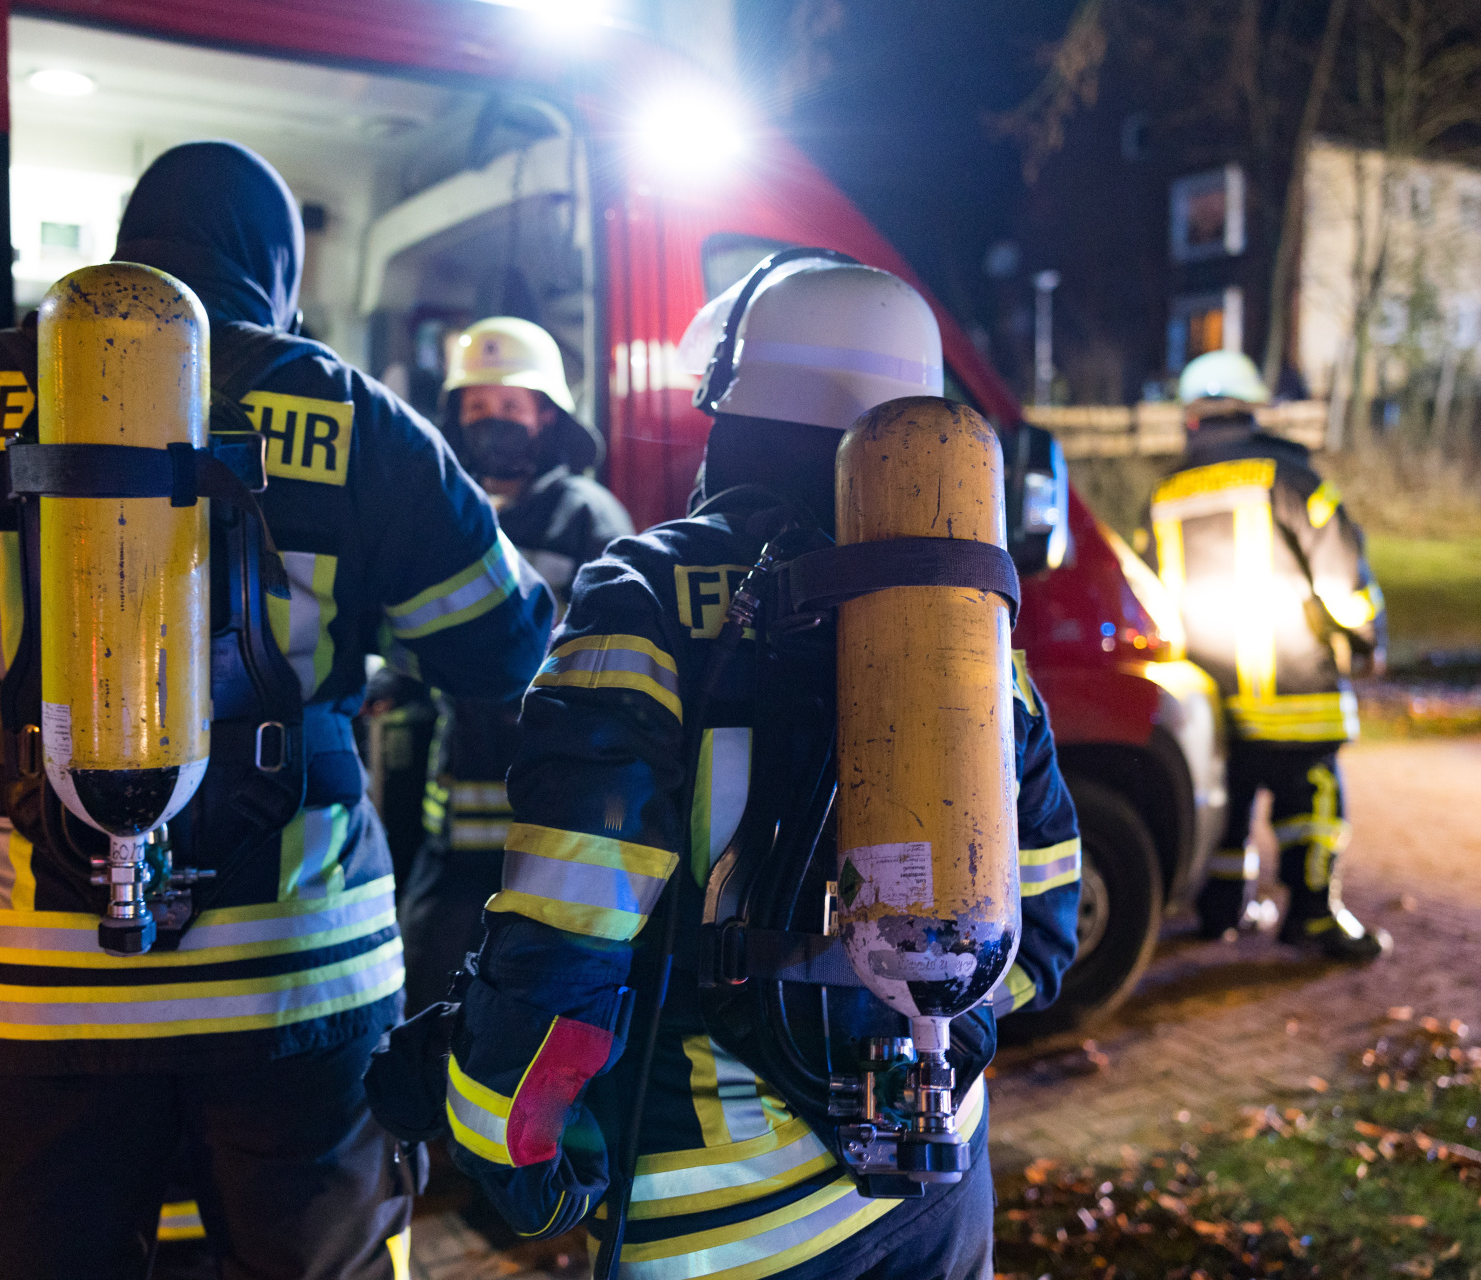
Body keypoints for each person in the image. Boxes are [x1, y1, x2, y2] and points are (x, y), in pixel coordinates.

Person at [0, 140, 554, 1280]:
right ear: (272, 265)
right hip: (296, 982)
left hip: (38, 987)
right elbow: (505, 642)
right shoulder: (350, 415)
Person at [380, 257, 1081, 1279]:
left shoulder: (646, 591)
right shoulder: (965, 621)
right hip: (940, 1189)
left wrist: (507, 1144)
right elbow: (1040, 936)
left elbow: (566, 931)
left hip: (720, 1226)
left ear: (734, 412)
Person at [397, 316, 636, 1011]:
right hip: (454, 823)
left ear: (548, 416)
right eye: (477, 409)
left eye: (510, 406)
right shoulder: (446, 512)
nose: (492, 422)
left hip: (551, 817)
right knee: (433, 977)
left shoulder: (587, 517)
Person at [1147, 350, 1389, 961]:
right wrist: (1367, 640)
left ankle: (1220, 909)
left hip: (1209, 696)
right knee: (1310, 805)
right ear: (1253, 410)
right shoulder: (1290, 478)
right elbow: (1344, 584)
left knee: (1228, 808)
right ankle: (1311, 916)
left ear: (1192, 417)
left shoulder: (1166, 494)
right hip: (1294, 689)